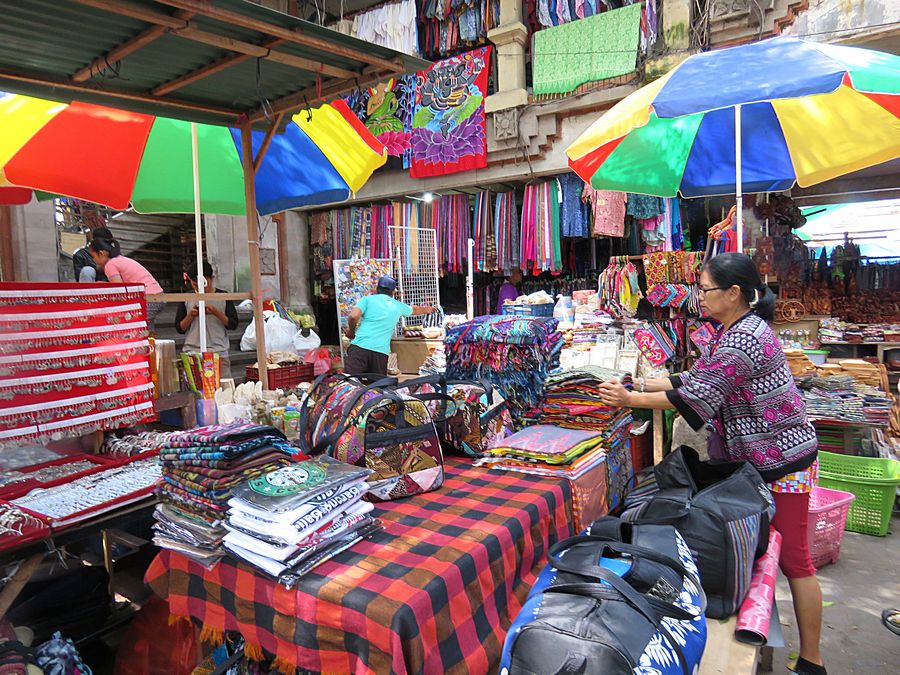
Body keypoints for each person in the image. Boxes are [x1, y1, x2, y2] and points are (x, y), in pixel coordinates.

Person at [598, 252, 826, 675]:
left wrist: (629, 398)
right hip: (759, 459)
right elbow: (693, 378)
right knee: (761, 551)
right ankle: (762, 630)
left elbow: (696, 397)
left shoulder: (743, 338)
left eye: (705, 290)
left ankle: (813, 660)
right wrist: (638, 381)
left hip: (783, 460)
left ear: (734, 292)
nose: (699, 297)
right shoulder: (731, 331)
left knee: (795, 559)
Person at [344, 275, 434, 376]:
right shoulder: (398, 306)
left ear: (377, 288)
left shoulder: (367, 300)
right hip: (380, 353)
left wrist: (351, 332)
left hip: (359, 348)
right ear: (393, 291)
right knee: (376, 384)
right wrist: (428, 309)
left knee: (349, 381)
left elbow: (353, 316)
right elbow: (414, 310)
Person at [175, 261, 239, 379]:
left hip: (219, 352)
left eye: (204, 284)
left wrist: (216, 312)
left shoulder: (223, 296)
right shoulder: (186, 298)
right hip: (192, 352)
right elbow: (180, 328)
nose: (200, 288)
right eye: (195, 284)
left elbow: (233, 324)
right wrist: (191, 315)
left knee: (223, 387)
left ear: (211, 278)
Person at [88, 237, 166, 330]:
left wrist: (102, 286)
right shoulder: (120, 259)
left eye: (93, 256)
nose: (94, 260)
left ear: (101, 253)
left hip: (148, 298)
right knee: (147, 326)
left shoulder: (110, 265)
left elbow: (119, 289)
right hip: (158, 296)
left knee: (137, 326)